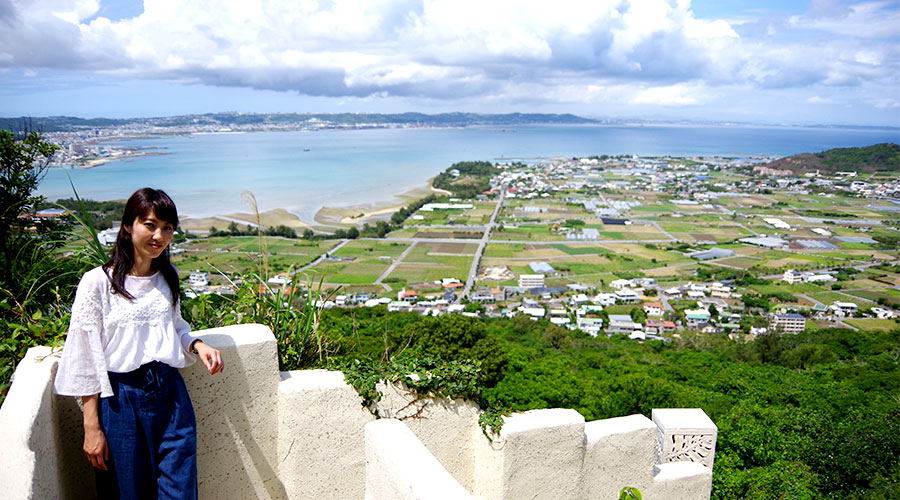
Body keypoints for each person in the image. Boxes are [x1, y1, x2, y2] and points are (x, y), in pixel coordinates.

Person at [54, 187, 224, 499]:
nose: (159, 235)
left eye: (168, 228)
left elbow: (174, 329)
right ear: (128, 226)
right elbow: (85, 357)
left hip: (171, 395)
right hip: (121, 400)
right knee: (127, 492)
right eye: (150, 224)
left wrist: (197, 344)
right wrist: (92, 428)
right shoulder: (98, 283)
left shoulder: (167, 275)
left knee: (180, 490)